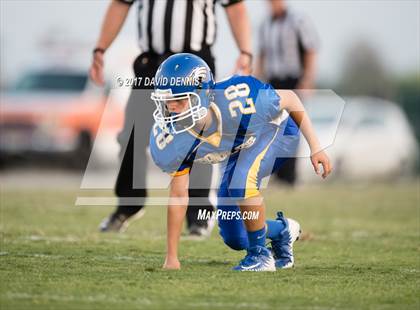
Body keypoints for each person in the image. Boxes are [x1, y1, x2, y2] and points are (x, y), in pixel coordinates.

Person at [149, 53, 332, 271]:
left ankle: (260, 256)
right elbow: (179, 195)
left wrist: (316, 147)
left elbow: (291, 99)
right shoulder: (174, 139)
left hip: (278, 131)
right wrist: (172, 258)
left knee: (241, 180)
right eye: (167, 101)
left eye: (179, 100)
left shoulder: (238, 100)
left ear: (203, 95)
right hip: (241, 146)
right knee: (235, 236)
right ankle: (282, 231)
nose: (172, 108)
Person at [89, 0, 253, 235]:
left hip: (195, 65)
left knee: (199, 137)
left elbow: (235, 7)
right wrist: (101, 48)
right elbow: (120, 4)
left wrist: (245, 51)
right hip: (152, 66)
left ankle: (199, 213)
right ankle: (128, 204)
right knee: (132, 135)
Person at [256, 0, 319, 185]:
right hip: (273, 80)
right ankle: (277, 174)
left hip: (293, 79)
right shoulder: (265, 25)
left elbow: (310, 50)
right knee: (272, 129)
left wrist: (307, 79)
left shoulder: (298, 20)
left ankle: (290, 177)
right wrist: (256, 79)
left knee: (292, 129)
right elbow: (262, 54)